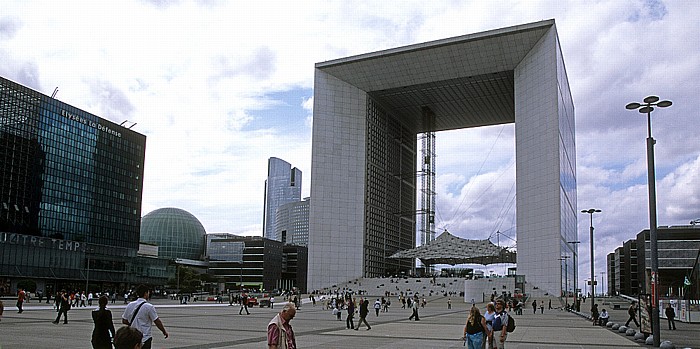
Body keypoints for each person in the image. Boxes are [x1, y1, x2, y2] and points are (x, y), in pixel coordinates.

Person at [122, 284, 168, 349]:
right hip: (145, 337)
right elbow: (157, 321)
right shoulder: (149, 307)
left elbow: (124, 320)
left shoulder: (130, 305)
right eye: (148, 292)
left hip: (133, 337)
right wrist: (164, 331)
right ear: (145, 293)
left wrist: (134, 324)